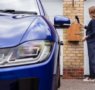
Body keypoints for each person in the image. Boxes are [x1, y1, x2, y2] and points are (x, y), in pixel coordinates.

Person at [79, 6, 95, 82]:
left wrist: (86, 37)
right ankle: (92, 76)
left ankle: (92, 77)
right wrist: (83, 25)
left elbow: (94, 32)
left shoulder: (93, 21)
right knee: (92, 59)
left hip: (92, 42)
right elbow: (90, 28)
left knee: (92, 60)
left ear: (91, 12)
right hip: (92, 42)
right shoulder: (93, 21)